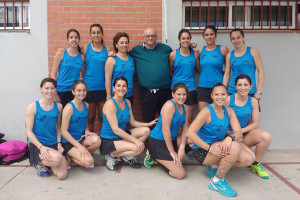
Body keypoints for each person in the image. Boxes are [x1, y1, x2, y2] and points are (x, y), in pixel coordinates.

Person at [186, 83, 255, 197]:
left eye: (223, 94)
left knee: (249, 159)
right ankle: (217, 181)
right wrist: (209, 148)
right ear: (212, 96)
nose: (220, 97)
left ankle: (214, 165)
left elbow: (238, 133)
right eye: (216, 94)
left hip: (219, 144)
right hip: (204, 149)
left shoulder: (229, 111)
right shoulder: (206, 111)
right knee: (235, 147)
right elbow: (190, 133)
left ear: (227, 95)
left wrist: (229, 137)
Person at [100, 76, 156, 171]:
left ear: (127, 88)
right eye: (118, 86)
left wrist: (148, 124)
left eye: (124, 86)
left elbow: (133, 122)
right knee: (138, 149)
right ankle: (111, 155)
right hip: (109, 140)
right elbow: (116, 129)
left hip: (121, 136)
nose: (121, 88)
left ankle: (126, 155)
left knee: (146, 131)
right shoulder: (110, 104)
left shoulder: (127, 102)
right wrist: (135, 141)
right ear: (113, 88)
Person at [226, 74, 271, 179]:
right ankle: (216, 164)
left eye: (245, 85)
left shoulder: (253, 101)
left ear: (251, 86)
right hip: (229, 135)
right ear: (235, 87)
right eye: (240, 85)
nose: (243, 87)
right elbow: (220, 120)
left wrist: (240, 131)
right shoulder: (228, 100)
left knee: (266, 136)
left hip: (243, 134)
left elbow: (255, 124)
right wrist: (232, 134)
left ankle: (256, 164)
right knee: (247, 159)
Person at [144, 83, 191, 179]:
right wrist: (172, 152)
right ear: (173, 94)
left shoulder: (186, 108)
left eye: (184, 94)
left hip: (171, 140)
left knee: (193, 141)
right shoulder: (169, 106)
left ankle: (167, 158)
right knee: (180, 174)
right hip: (158, 142)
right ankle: (153, 156)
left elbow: (186, 128)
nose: (181, 97)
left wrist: (182, 146)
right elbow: (165, 130)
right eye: (179, 94)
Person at [26, 78, 68, 179]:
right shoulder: (33, 107)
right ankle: (38, 162)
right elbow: (28, 131)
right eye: (46, 88)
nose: (49, 91)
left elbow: (58, 127)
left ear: (55, 90)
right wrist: (41, 147)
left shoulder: (59, 107)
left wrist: (59, 143)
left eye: (52, 88)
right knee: (58, 158)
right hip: (37, 145)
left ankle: (52, 160)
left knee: (62, 176)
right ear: (41, 89)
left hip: (53, 143)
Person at [129, 27, 172, 124]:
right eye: (148, 36)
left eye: (153, 35)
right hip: (147, 93)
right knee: (148, 120)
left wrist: (190, 47)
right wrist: (112, 53)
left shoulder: (165, 49)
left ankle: (165, 139)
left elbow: (178, 54)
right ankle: (150, 139)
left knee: (166, 119)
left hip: (165, 92)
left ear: (157, 36)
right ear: (143, 37)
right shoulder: (137, 50)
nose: (150, 38)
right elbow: (123, 54)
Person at [61, 80, 101, 170]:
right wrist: (78, 146)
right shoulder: (69, 108)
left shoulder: (86, 105)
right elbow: (63, 131)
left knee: (97, 140)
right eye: (79, 90)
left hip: (80, 138)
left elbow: (85, 120)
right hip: (68, 142)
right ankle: (69, 156)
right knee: (89, 162)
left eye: (84, 90)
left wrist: (86, 130)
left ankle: (79, 155)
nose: (82, 93)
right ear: (73, 92)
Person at [223, 28, 265, 101]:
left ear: (243, 37)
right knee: (231, 112)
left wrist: (259, 91)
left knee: (252, 112)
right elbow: (227, 74)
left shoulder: (253, 51)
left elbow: (261, 71)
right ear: (231, 41)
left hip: (249, 91)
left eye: (238, 37)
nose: (236, 41)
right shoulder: (229, 55)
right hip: (233, 91)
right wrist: (223, 91)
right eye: (233, 39)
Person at [81, 23, 108, 132]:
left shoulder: (107, 49)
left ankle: (103, 143)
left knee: (102, 118)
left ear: (102, 34)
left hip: (103, 89)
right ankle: (90, 142)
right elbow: (72, 52)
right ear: (90, 34)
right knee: (90, 118)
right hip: (89, 88)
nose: (96, 35)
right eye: (93, 33)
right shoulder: (84, 48)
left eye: (98, 32)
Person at [169, 29, 200, 124]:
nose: (185, 40)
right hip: (176, 88)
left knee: (188, 118)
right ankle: (176, 137)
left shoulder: (195, 54)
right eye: (183, 38)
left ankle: (185, 138)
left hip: (190, 88)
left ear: (190, 39)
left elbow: (198, 69)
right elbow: (170, 71)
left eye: (187, 38)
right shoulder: (173, 54)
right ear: (179, 40)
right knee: (176, 118)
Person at [197, 25, 229, 111]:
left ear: (216, 35)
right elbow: (198, 68)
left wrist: (224, 87)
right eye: (206, 35)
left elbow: (228, 70)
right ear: (203, 36)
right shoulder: (200, 50)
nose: (209, 37)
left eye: (211, 34)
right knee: (203, 116)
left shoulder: (223, 49)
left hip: (218, 87)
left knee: (219, 115)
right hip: (203, 87)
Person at [51, 29, 85, 107]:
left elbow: (83, 75)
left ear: (79, 39)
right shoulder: (61, 54)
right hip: (61, 91)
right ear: (68, 40)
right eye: (71, 37)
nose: (74, 39)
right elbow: (53, 73)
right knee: (61, 116)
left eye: (76, 37)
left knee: (73, 116)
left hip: (75, 92)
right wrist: (54, 93)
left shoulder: (81, 57)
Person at [105, 32, 135, 104]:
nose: (124, 45)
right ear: (116, 45)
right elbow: (108, 78)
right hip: (116, 96)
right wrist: (108, 95)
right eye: (121, 43)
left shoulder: (131, 59)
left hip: (129, 95)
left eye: (126, 43)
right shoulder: (111, 59)